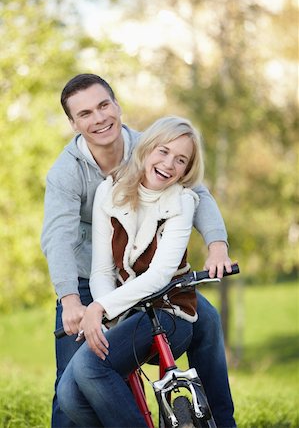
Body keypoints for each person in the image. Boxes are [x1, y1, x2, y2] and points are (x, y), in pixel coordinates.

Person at [41, 73, 236, 428]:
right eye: (85, 114)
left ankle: (220, 421)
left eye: (104, 105)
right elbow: (58, 238)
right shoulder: (66, 173)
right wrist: (71, 300)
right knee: (71, 383)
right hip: (89, 278)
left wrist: (217, 246)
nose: (99, 118)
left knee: (205, 320)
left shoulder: (153, 146)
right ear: (73, 123)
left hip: (150, 276)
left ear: (117, 105)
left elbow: (198, 193)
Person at [56, 115, 207, 426]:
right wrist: (106, 315)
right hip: (127, 313)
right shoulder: (109, 191)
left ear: (187, 169)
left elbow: (159, 276)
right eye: (163, 151)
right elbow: (100, 270)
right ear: (147, 148)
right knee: (70, 393)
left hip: (169, 313)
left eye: (181, 160)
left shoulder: (183, 201)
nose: (169, 164)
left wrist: (99, 307)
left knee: (89, 369)